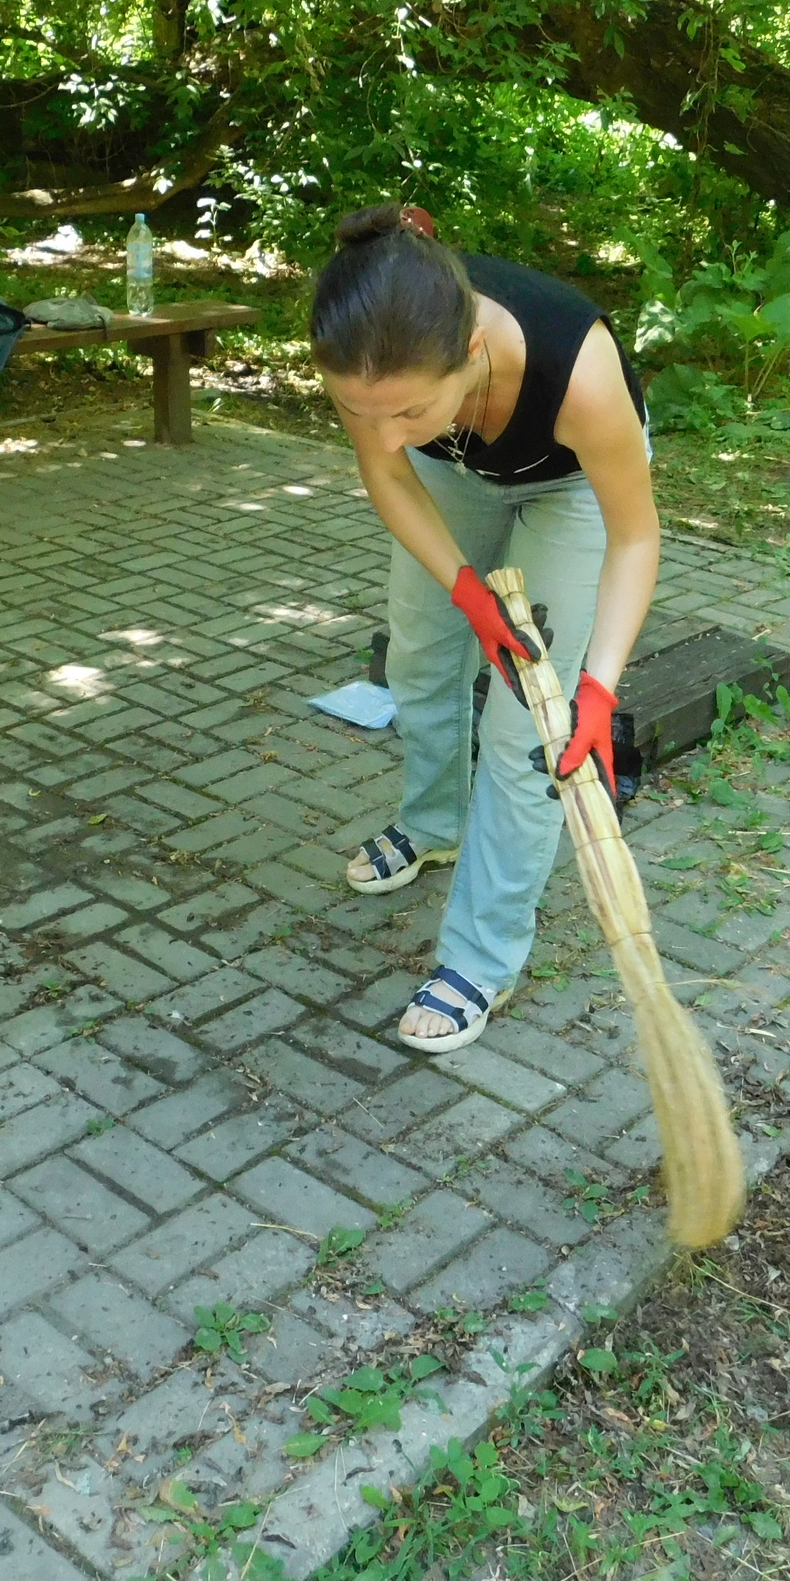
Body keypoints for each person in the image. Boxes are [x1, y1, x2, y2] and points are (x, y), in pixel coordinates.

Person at [312, 203, 660, 1053]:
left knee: (528, 735)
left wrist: (597, 687)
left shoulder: (579, 374)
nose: (381, 433)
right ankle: (433, 824)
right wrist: (466, 591)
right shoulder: (369, 358)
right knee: (421, 655)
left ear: (471, 354)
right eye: (362, 413)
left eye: (404, 413)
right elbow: (389, 472)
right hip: (455, 465)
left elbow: (635, 537)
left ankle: (482, 956)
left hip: (569, 488)